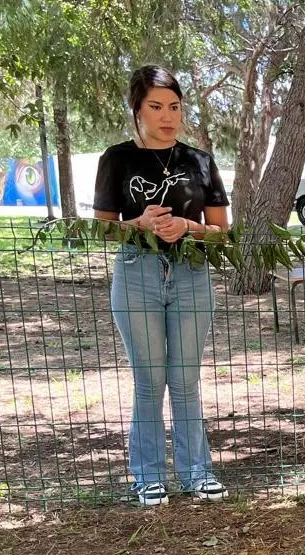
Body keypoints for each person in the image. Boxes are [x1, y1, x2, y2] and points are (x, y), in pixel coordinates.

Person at [93, 65, 230, 507]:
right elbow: (103, 230)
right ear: (137, 109)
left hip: (191, 275)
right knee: (149, 380)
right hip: (137, 274)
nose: (167, 116)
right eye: (156, 106)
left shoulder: (201, 161)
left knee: (185, 378)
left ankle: (197, 473)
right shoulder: (116, 159)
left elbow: (222, 230)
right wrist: (139, 224)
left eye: (174, 107)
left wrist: (188, 227)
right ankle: (147, 477)